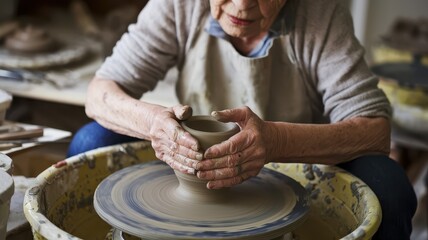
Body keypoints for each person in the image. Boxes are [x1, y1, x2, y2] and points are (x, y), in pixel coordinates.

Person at [68, 0, 417, 239]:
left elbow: (374, 131)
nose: (241, 6)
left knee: (387, 185)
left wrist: (276, 141)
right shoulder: (181, 5)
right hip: (191, 167)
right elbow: (100, 93)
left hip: (293, 166)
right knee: (91, 142)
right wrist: (154, 126)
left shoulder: (318, 14)